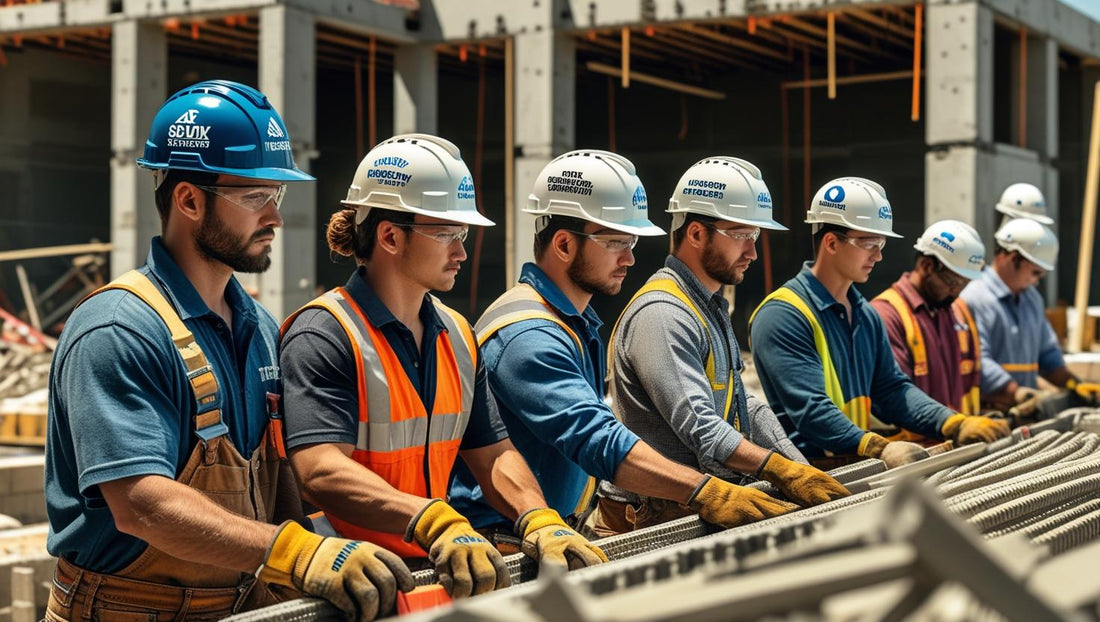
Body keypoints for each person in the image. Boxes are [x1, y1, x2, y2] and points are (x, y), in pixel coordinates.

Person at [44, 80, 410, 622]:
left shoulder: (257, 325)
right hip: (126, 610)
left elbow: (274, 475)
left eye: (277, 196)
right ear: (189, 199)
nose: (275, 218)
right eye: (255, 196)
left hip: (240, 604)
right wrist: (294, 553)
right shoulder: (119, 328)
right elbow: (143, 505)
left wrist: (311, 558)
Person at [280, 134, 606, 599]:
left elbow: (492, 454)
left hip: (428, 577)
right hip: (350, 589)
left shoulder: (456, 333)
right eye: (447, 234)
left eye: (463, 235)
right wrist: (432, 519)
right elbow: (320, 470)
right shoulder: (325, 333)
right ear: (390, 236)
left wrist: (537, 517)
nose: (462, 252)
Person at [450, 149, 804, 540]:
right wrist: (705, 490)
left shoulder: (570, 322)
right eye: (617, 242)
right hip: (506, 540)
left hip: (545, 533)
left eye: (632, 241)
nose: (631, 258)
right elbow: (597, 438)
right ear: (564, 245)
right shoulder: (529, 335)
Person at [594, 157, 849, 535]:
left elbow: (741, 404)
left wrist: (799, 468)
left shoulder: (707, 305)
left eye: (755, 237)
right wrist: (777, 469)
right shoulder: (664, 313)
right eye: (742, 235)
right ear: (696, 234)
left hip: (693, 507)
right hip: (652, 519)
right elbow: (700, 425)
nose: (753, 253)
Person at [749, 177, 1010, 469]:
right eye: (869, 243)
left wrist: (952, 423)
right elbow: (811, 411)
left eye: (881, 242)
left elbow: (891, 389)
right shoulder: (784, 314)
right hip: (806, 474)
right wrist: (876, 446)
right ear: (832, 242)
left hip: (854, 466)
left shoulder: (864, 314)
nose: (879, 255)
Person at [960, 218, 1100, 409]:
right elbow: (977, 361)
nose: (1037, 281)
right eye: (1035, 272)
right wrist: (1016, 392)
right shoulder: (974, 298)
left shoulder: (1031, 299)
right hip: (986, 413)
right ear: (1014, 257)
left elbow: (1048, 355)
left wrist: (1075, 384)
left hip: (1026, 410)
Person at [870, 221, 987, 432]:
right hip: (913, 452)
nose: (956, 292)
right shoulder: (888, 315)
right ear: (926, 266)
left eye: (964, 285)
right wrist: (951, 424)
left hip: (954, 444)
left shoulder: (954, 310)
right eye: (953, 282)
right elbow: (893, 397)